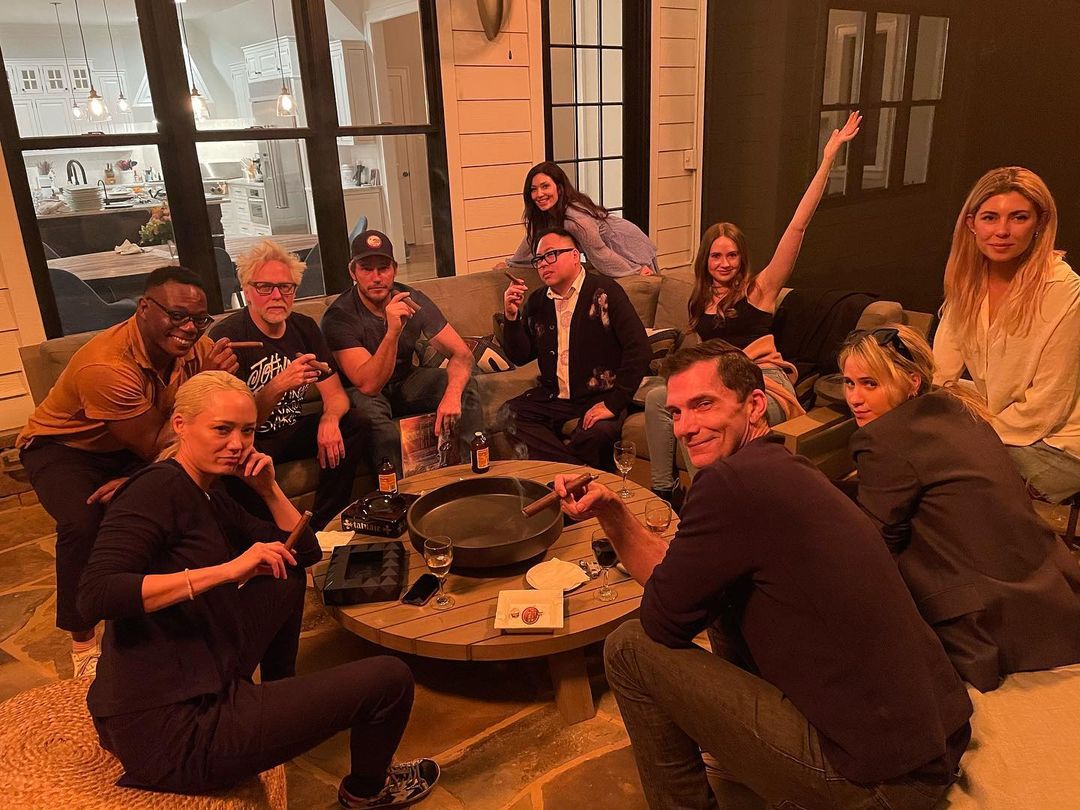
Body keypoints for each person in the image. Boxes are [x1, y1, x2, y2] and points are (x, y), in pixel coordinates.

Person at [554, 341, 972, 809]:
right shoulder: (783, 466)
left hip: (880, 782)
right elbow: (678, 585)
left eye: (703, 404)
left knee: (628, 649)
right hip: (935, 738)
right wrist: (613, 510)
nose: (685, 427)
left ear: (754, 405)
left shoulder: (727, 484)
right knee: (715, 592)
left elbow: (660, 620)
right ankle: (751, 759)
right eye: (676, 412)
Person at [77, 372, 439, 808]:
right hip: (175, 730)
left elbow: (303, 553)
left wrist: (268, 489)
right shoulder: (155, 489)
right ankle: (368, 791)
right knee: (389, 680)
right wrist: (226, 571)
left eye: (247, 431)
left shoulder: (206, 491)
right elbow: (96, 594)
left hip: (190, 674)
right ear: (180, 425)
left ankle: (275, 700)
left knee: (282, 575)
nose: (237, 444)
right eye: (222, 429)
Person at [17, 266, 239, 679]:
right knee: (83, 523)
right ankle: (82, 641)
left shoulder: (198, 347)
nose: (190, 329)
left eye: (199, 319)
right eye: (177, 315)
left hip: (131, 443)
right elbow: (155, 443)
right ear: (144, 308)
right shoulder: (105, 365)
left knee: (197, 493)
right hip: (66, 449)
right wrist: (206, 378)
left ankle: (183, 609)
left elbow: (193, 429)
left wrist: (138, 480)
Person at [840, 325, 1080, 692]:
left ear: (912, 381)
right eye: (848, 383)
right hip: (1047, 590)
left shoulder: (883, 440)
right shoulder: (958, 409)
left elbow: (874, 543)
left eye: (870, 384)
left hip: (983, 616)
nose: (855, 398)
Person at [643, 111, 862, 504]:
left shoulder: (760, 289)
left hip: (763, 378)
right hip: (717, 381)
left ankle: (711, 499)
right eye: (716, 256)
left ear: (742, 258)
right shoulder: (699, 298)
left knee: (706, 415)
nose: (724, 263)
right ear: (705, 261)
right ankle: (666, 491)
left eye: (732, 255)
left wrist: (829, 157)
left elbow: (797, 227)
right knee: (660, 398)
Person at [933, 166, 1080, 504]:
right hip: (997, 427)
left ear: (1040, 223)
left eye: (1018, 217)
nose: (1002, 231)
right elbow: (940, 374)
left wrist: (970, 438)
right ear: (972, 223)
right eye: (990, 218)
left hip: (1057, 444)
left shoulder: (1063, 289)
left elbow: (1047, 404)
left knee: (951, 483)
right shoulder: (968, 282)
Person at [210, 239, 369, 530]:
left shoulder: (304, 328)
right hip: (253, 436)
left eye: (285, 287)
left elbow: (336, 395)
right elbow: (237, 426)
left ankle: (324, 526)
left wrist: (330, 419)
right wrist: (278, 385)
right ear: (247, 291)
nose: (277, 296)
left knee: (355, 422)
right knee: (234, 456)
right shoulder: (230, 338)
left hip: (291, 429)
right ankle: (264, 535)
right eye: (265, 287)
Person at [322, 229, 482, 476]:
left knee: (465, 386)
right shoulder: (339, 316)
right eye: (366, 269)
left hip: (406, 381)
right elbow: (368, 385)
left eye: (383, 268)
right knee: (375, 421)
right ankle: (395, 492)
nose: (376, 277)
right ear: (353, 272)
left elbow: (462, 354)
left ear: (394, 269)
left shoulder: (411, 299)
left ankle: (474, 473)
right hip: (363, 391)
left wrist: (452, 394)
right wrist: (392, 333)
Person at [501, 227, 651, 469]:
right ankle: (576, 472)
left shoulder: (605, 292)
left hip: (599, 394)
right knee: (507, 415)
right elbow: (520, 355)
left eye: (551, 255)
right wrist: (511, 317)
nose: (543, 263)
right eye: (539, 259)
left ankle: (563, 473)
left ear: (574, 255)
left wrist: (614, 403)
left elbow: (639, 348)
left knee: (598, 434)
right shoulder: (538, 301)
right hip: (553, 396)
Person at [495, 161, 659, 277]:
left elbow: (600, 253)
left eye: (545, 186)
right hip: (606, 251)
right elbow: (530, 244)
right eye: (533, 189)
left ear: (559, 188)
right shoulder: (544, 215)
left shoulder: (575, 220)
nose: (539, 194)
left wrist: (636, 270)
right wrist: (510, 265)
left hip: (627, 245)